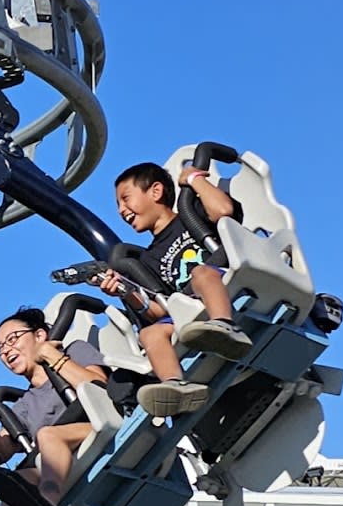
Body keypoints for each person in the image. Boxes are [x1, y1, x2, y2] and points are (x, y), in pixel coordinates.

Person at [100, 160, 252, 418]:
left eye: (125, 199)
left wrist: (194, 180)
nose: (121, 210)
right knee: (150, 335)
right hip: (188, 310)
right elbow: (160, 309)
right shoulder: (147, 259)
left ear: (156, 192)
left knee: (200, 273)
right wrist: (126, 292)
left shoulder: (191, 212)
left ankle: (225, 327)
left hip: (223, 279)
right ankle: (176, 387)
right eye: (117, 205)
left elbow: (224, 210)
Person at [0, 304, 108, 506]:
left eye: (12, 339)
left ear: (40, 335)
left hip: (99, 426)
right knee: (14, 484)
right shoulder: (24, 405)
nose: (6, 350)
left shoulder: (73, 351)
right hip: (61, 460)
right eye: (0, 348)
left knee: (47, 435)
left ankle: (48, 503)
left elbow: (97, 386)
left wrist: (54, 358)